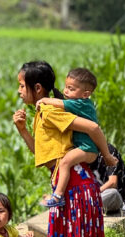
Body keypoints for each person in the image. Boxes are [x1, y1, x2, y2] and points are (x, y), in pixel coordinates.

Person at [13, 60, 108, 237]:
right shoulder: (43, 113)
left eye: (22, 85)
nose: (19, 91)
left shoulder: (50, 110)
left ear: (38, 88)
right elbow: (45, 157)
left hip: (73, 189)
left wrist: (105, 153)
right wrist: (23, 131)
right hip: (83, 185)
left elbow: (91, 127)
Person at [36, 67, 117, 208]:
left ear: (85, 94)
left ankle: (58, 196)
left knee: (65, 162)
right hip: (86, 148)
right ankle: (59, 194)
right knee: (66, 162)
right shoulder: (82, 103)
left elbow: (60, 103)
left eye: (71, 89)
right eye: (66, 87)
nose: (66, 91)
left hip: (88, 148)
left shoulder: (80, 104)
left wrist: (44, 100)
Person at [91, 144, 125, 213]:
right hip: (91, 196)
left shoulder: (109, 150)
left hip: (108, 195)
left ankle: (86, 207)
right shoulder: (80, 152)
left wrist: (93, 194)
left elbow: (112, 183)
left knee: (113, 193)